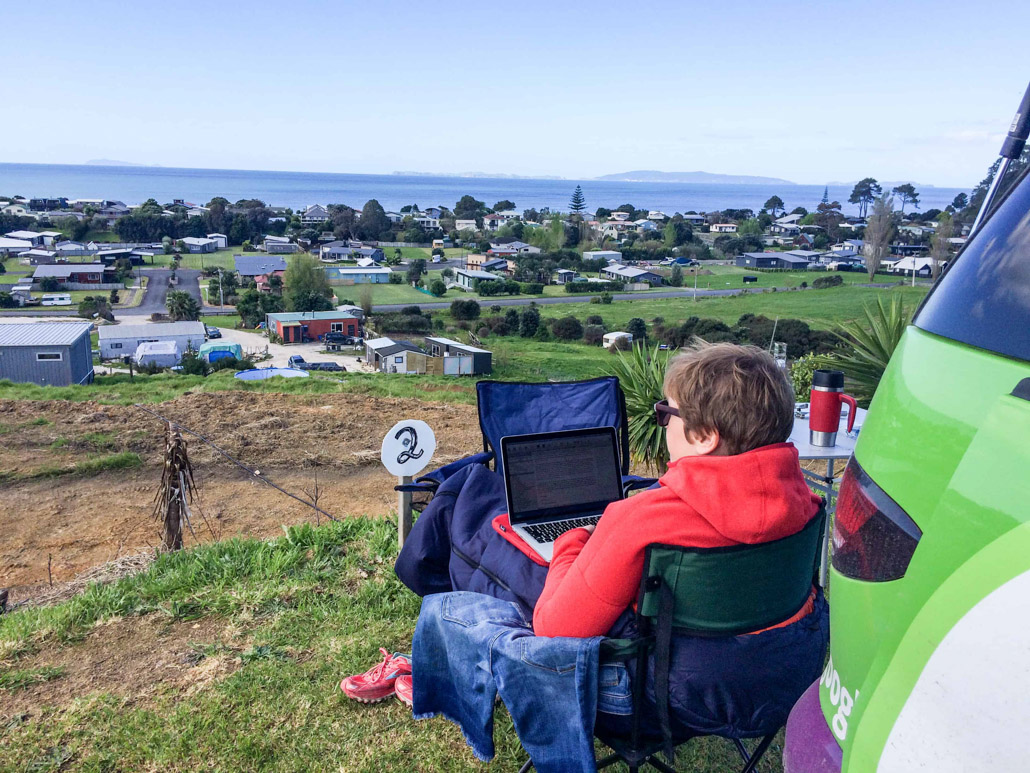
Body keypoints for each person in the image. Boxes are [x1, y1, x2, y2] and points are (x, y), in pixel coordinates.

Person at [342, 342, 828, 763]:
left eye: (667, 414)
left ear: (704, 437)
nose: (662, 423)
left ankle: (437, 648)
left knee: (476, 523)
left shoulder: (642, 520)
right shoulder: (808, 505)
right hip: (777, 681)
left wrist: (574, 541)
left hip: (655, 703)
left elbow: (555, 629)